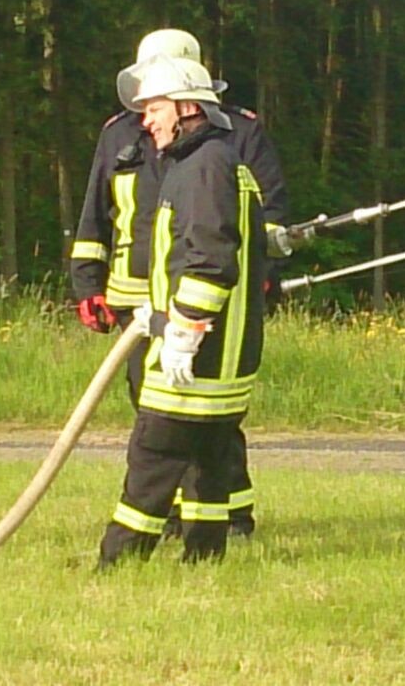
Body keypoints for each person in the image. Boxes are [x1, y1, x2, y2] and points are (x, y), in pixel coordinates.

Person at [71, 29, 288, 537]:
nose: (149, 117)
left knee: (207, 415)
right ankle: (176, 517)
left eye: (158, 99)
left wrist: (258, 278)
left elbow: (264, 218)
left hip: (205, 305)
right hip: (136, 303)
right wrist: (88, 283)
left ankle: (224, 515)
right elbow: (95, 216)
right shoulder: (121, 134)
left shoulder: (231, 137)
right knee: (158, 415)